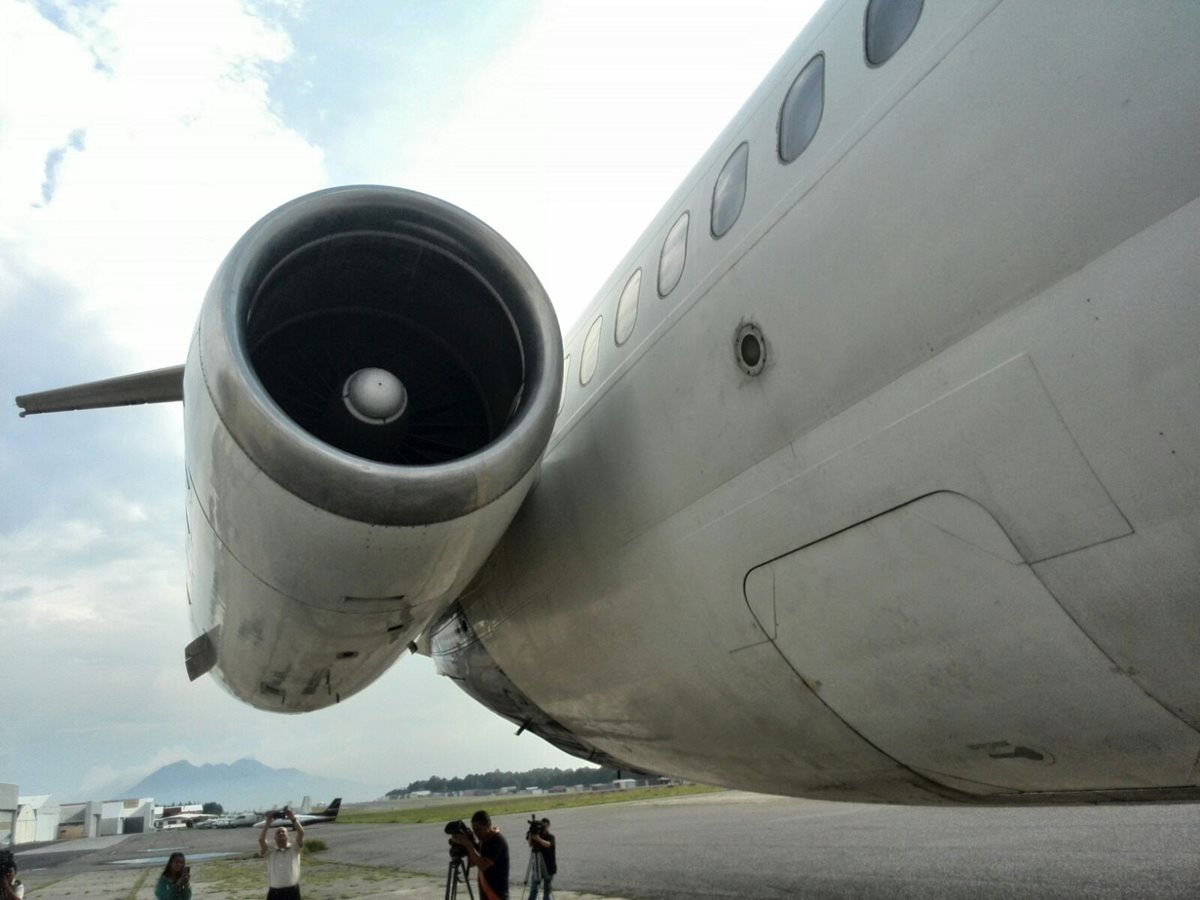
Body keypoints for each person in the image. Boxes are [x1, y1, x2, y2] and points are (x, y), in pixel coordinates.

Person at [449, 809, 509, 900]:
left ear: (488, 825)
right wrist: (471, 842)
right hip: (486, 895)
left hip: (496, 895)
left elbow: (482, 865)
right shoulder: (484, 841)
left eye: (479, 829)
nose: (476, 833)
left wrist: (468, 844)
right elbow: (473, 862)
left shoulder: (497, 841)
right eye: (474, 830)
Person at [258, 808, 305, 899]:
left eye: (283, 831)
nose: (281, 833)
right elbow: (261, 840)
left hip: (292, 892)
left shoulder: (294, 848)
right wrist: (268, 823)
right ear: (274, 838)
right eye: (278, 832)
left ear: (288, 836)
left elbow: (301, 833)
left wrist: (293, 818)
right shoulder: (270, 852)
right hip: (275, 893)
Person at [526, 817, 556, 900]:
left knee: (547, 891)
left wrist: (538, 839)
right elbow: (530, 844)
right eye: (542, 826)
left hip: (549, 868)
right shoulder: (537, 835)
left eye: (545, 826)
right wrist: (532, 834)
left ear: (548, 826)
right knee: (533, 890)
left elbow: (548, 844)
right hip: (537, 867)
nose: (543, 828)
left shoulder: (551, 837)